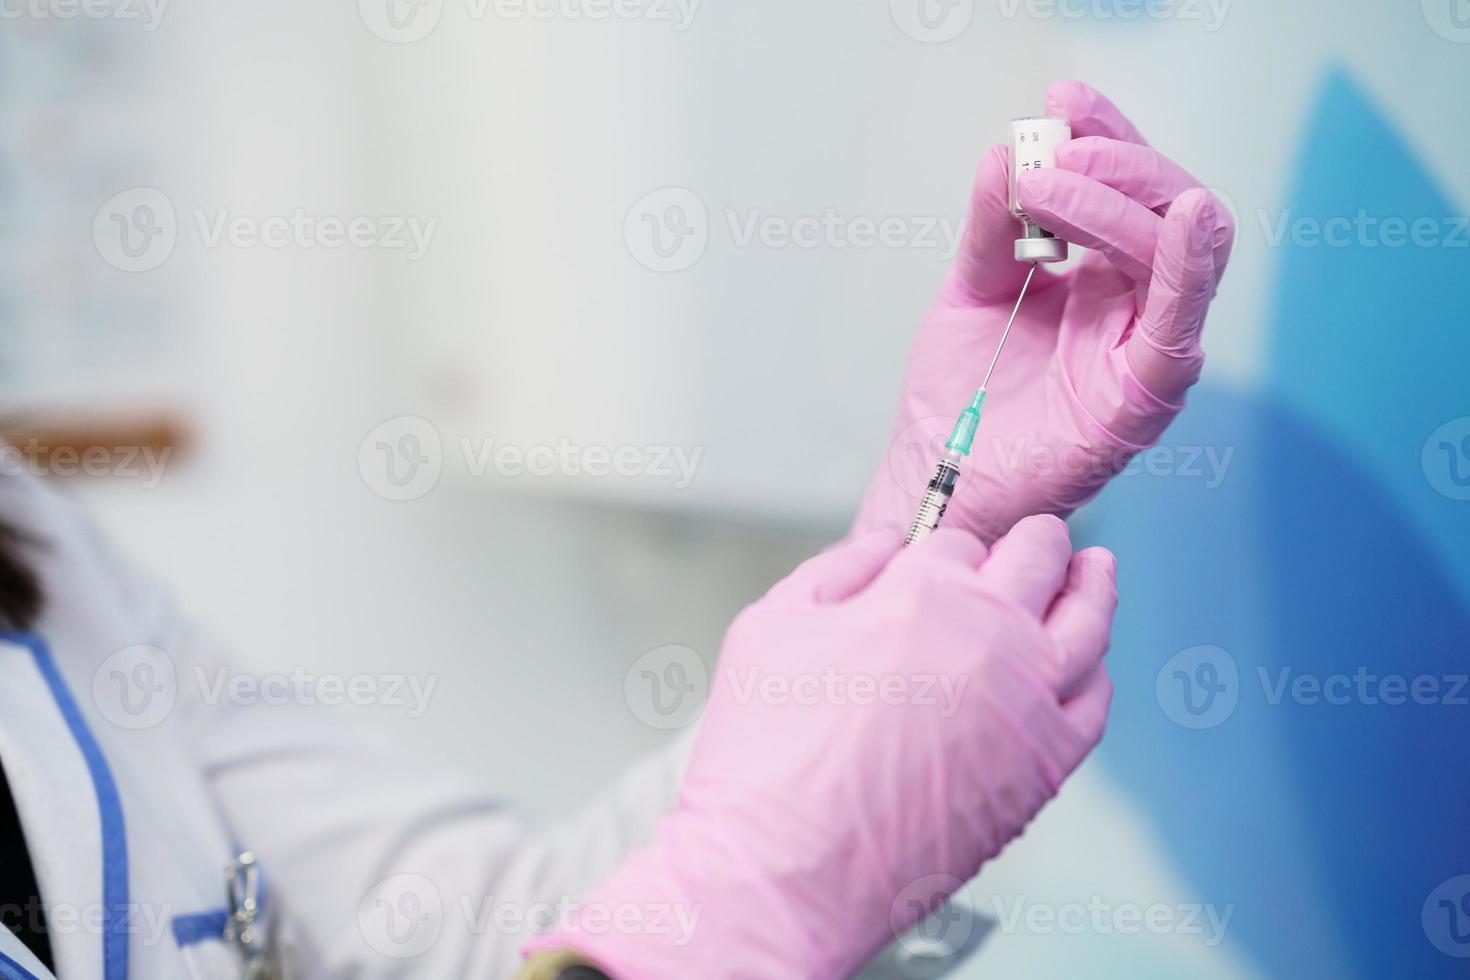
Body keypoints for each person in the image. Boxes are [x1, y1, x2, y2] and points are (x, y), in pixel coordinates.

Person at [0, 82, 1229, 980]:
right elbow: (713, 896)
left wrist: (932, 527)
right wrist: (754, 901)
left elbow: (473, 925)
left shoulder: (30, 533)